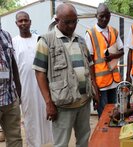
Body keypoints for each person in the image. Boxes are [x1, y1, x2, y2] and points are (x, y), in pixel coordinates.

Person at [33, 3, 98, 147]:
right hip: (63, 105)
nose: (72, 25)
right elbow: (40, 73)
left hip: (84, 102)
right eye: (67, 22)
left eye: (75, 21)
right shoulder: (46, 41)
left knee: (83, 141)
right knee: (61, 143)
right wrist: (49, 103)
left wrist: (95, 90)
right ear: (57, 20)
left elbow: (90, 66)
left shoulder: (81, 40)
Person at [13, 11, 53, 147]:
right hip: (25, 88)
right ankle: (32, 144)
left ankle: (49, 143)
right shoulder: (14, 42)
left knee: (46, 116)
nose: (23, 23)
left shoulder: (39, 39)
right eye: (20, 21)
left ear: (30, 22)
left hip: (42, 87)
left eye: (26, 20)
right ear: (16, 24)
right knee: (30, 118)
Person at [85, 3, 124, 117]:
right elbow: (89, 62)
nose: (104, 19)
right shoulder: (90, 34)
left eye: (107, 16)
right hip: (100, 83)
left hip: (114, 81)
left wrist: (113, 56)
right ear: (96, 16)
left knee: (114, 113)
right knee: (104, 116)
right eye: (101, 16)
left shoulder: (114, 31)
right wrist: (94, 86)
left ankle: (112, 134)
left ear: (110, 16)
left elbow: (122, 51)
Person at [0, 28, 22, 146]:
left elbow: (13, 62)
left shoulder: (6, 34)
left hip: (10, 98)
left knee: (15, 138)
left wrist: (18, 89)